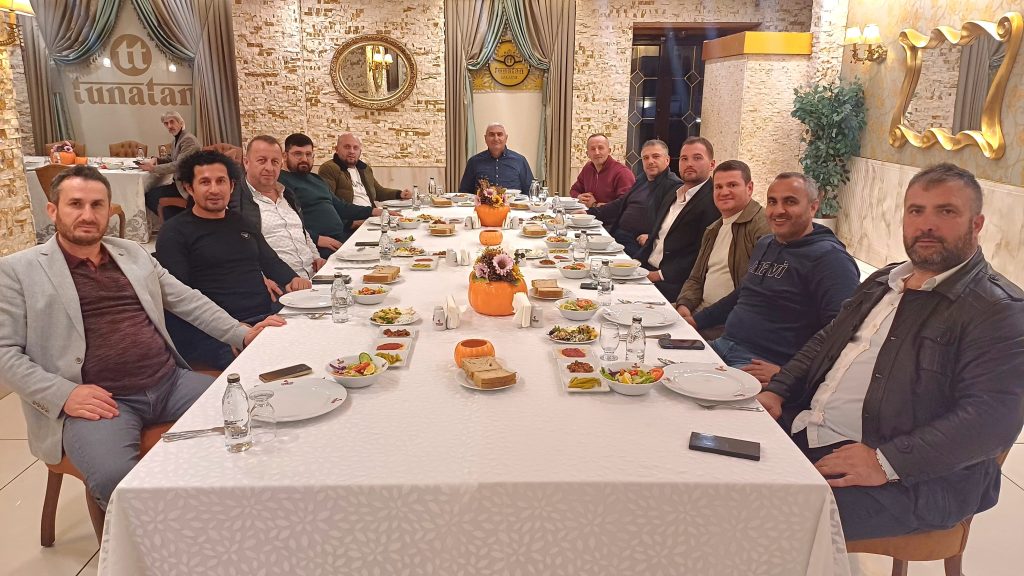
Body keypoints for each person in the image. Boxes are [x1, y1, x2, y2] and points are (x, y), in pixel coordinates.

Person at [757, 163, 1024, 542]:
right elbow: (827, 339)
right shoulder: (886, 280)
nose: (926, 224)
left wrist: (886, 461)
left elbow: (991, 421)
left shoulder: (999, 309)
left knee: (767, 516)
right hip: (813, 431)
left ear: (976, 224)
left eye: (946, 211)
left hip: (914, 478)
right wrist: (778, 390)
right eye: (916, 211)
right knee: (715, 465)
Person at [0, 165, 284, 511]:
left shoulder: (131, 253)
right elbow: (5, 353)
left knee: (258, 419)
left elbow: (187, 300)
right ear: (53, 210)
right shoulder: (17, 271)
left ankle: (231, 512)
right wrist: (64, 394)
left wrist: (242, 333)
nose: (87, 215)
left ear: (109, 210)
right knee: (117, 478)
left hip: (169, 382)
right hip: (100, 402)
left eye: (97, 205)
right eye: (75, 204)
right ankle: (158, 537)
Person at [684, 172, 859, 382]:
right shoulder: (766, 243)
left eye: (790, 202)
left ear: (813, 207)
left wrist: (786, 375)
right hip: (722, 346)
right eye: (772, 202)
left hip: (760, 365)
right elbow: (743, 294)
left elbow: (840, 333)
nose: (778, 210)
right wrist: (695, 321)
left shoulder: (831, 259)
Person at [156, 151, 309, 369]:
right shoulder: (174, 232)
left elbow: (271, 261)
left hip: (265, 315)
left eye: (221, 181)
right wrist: (234, 332)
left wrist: (293, 279)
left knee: (315, 338)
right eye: (205, 182)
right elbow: (180, 298)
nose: (214, 189)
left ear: (232, 186)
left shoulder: (241, 222)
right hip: (214, 331)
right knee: (281, 364)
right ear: (190, 188)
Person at [675, 160, 770, 339]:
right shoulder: (713, 229)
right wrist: (684, 306)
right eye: (718, 187)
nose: (724, 192)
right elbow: (696, 278)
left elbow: (750, 291)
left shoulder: (762, 227)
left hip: (727, 324)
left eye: (732, 185)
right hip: (698, 313)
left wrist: (696, 320)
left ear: (749, 188)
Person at [278, 133, 393, 255]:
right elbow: (282, 223)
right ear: (285, 156)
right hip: (319, 245)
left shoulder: (316, 179)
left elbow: (341, 207)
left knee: (389, 245)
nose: (304, 159)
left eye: (308, 154)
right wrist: (316, 239)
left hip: (342, 236)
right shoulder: (280, 182)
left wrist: (374, 211)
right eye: (298, 154)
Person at [636, 137, 721, 300]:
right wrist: (634, 262)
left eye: (697, 158)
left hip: (672, 283)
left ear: (712, 165)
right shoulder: (673, 193)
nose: (689, 163)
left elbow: (701, 254)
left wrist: (657, 275)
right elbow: (655, 237)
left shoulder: (713, 201)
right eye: (684, 159)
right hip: (646, 268)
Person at [230, 135, 325, 279]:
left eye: (275, 162)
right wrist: (261, 279)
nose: (269, 168)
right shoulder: (236, 201)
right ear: (246, 162)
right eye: (262, 160)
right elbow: (238, 252)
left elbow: (302, 232)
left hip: (315, 277)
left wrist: (317, 258)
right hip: (279, 284)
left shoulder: (288, 195)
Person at [588, 139, 681, 258]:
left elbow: (675, 222)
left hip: (637, 244)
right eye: (646, 158)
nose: (650, 161)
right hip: (616, 234)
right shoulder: (642, 179)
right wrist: (589, 213)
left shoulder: (674, 186)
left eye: (656, 156)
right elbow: (620, 204)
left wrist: (652, 237)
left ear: (667, 160)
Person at [317, 133, 412, 224]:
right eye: (347, 147)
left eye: (355, 148)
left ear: (360, 151)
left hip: (372, 217)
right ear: (337, 149)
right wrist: (349, 224)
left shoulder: (365, 169)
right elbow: (328, 202)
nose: (352, 151)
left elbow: (378, 192)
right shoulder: (329, 168)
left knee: (407, 221)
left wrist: (400, 194)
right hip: (352, 222)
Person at [141, 111, 201, 220]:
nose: (169, 126)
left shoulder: (188, 140)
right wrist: (156, 159)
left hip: (187, 186)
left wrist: (153, 168)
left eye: (172, 122)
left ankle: (177, 221)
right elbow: (171, 158)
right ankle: (178, 219)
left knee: (150, 197)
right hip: (178, 183)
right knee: (151, 194)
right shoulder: (177, 139)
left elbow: (179, 165)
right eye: (166, 123)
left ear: (181, 123)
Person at [458, 123, 534, 193]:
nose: (496, 138)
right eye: (491, 135)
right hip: (483, 203)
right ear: (485, 138)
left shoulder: (519, 161)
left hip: (514, 203)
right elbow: (465, 192)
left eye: (499, 134)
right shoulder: (474, 162)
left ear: (506, 138)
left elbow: (530, 191)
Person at [570, 134, 635, 207]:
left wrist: (595, 205)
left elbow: (625, 205)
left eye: (601, 148)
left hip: (609, 214)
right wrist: (579, 197)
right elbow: (574, 190)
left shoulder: (622, 172)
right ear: (587, 154)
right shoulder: (588, 168)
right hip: (587, 213)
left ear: (609, 151)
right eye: (593, 149)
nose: (597, 152)